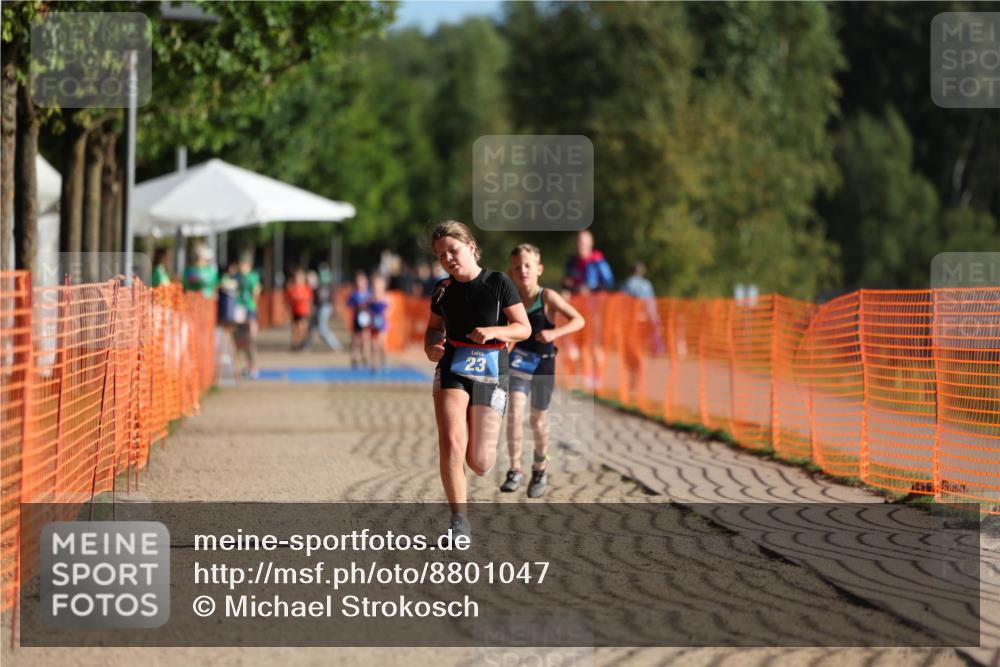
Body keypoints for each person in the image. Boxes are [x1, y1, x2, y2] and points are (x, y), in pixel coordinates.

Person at [425, 221, 531, 538]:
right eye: (441, 255)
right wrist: (431, 344)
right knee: (452, 443)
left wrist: (495, 331)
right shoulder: (443, 289)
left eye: (453, 250)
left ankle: (482, 441)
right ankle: (459, 521)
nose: (448, 259)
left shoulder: (498, 283)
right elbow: (433, 327)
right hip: (452, 368)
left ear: (470, 247)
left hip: (491, 372)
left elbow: (523, 327)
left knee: (480, 462)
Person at [502, 244, 585, 497]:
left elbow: (579, 320)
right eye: (517, 267)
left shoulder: (547, 296)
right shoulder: (510, 297)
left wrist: (554, 333)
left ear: (539, 269)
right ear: (511, 271)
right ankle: (515, 469)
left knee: (538, 419)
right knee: (514, 413)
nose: (523, 271)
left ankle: (540, 468)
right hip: (518, 362)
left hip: (543, 364)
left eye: (528, 266)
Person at [234, 252, 262, 379]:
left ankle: (253, 367)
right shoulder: (235, 276)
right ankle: (241, 367)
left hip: (249, 310)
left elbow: (256, 291)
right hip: (238, 310)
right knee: (239, 340)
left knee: (251, 339)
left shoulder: (253, 277)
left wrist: (254, 308)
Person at [563, 229, 614, 295]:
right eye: (576, 242)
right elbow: (566, 284)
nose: (578, 245)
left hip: (596, 301)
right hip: (575, 301)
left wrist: (590, 289)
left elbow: (609, 284)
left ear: (590, 243)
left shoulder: (598, 262)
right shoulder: (571, 263)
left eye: (581, 242)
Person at [347, 271, 372, 369]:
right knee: (356, 339)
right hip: (357, 320)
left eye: (362, 281)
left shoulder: (369, 293)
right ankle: (354, 357)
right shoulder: (354, 294)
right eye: (358, 281)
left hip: (367, 319)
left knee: (366, 337)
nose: (360, 283)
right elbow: (349, 304)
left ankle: (366, 356)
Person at [286, 268, 313, 351]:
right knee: (295, 329)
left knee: (302, 328)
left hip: (304, 311)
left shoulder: (307, 288)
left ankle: (300, 343)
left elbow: (310, 300)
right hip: (295, 311)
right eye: (297, 277)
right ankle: (295, 344)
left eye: (300, 277)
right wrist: (288, 310)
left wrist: (310, 310)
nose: (298, 279)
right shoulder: (291, 288)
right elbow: (288, 301)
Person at [368, 273, 389, 371]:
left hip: (382, 323)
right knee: (373, 345)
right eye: (375, 286)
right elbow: (368, 310)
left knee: (382, 344)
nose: (377, 288)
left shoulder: (384, 298)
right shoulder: (371, 298)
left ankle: (384, 361)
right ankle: (374, 364)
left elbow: (387, 310)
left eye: (379, 286)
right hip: (373, 324)